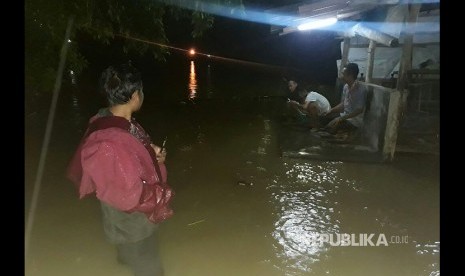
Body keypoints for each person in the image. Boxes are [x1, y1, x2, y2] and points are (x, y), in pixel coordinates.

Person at [66, 63, 173, 276]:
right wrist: (162, 195)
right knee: (150, 270)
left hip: (125, 221)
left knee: (131, 260)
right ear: (135, 96)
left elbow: (130, 154)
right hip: (132, 226)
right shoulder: (110, 142)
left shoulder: (109, 119)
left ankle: (126, 260)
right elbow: (129, 196)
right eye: (141, 92)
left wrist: (153, 154)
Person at [324, 63, 367, 137]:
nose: (341, 76)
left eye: (344, 74)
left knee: (331, 128)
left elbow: (359, 110)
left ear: (350, 75)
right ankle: (336, 133)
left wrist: (341, 118)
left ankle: (344, 135)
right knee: (325, 118)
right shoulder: (346, 87)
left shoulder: (360, 89)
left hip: (354, 120)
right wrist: (331, 110)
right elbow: (343, 104)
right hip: (345, 115)